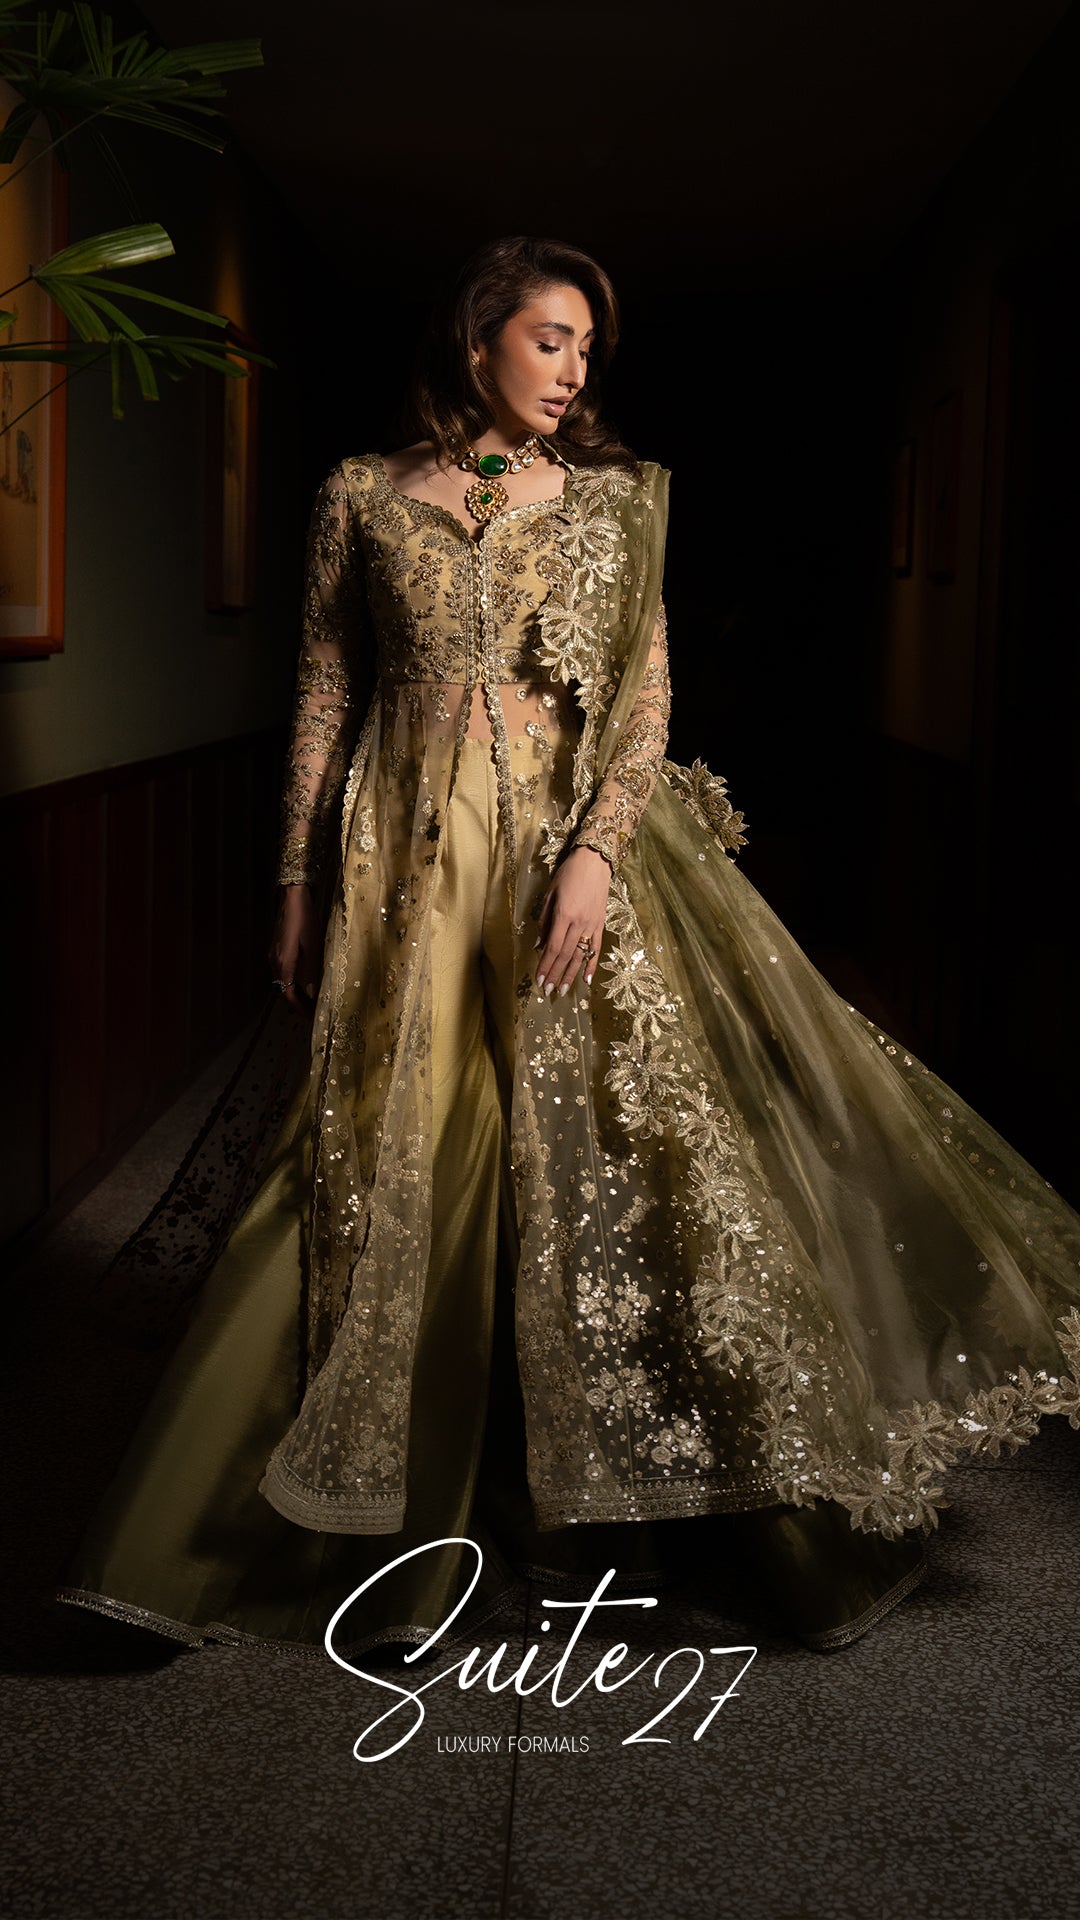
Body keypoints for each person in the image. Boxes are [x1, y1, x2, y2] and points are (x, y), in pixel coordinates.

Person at [55, 236, 1080, 1664]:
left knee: (611, 1153)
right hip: (403, 855)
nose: (573, 369)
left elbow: (645, 703)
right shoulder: (362, 493)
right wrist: (294, 874)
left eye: (587, 346)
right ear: (476, 341)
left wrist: (596, 855)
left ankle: (677, 1507)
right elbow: (325, 689)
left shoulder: (616, 501)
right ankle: (254, 1530)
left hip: (557, 850)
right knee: (375, 1150)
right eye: (549, 339)